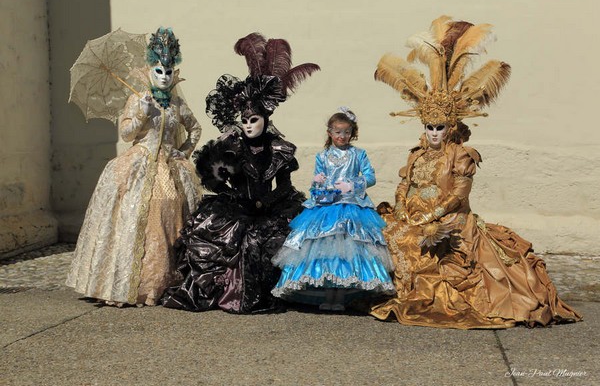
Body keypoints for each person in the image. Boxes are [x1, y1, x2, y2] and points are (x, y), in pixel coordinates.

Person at [370, 16, 582, 328]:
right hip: (411, 213)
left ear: (449, 127)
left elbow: (458, 196)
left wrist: (430, 217)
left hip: (448, 218)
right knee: (385, 233)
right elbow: (405, 184)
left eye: (439, 127)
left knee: (425, 244)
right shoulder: (415, 154)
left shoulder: (462, 155)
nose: (433, 133)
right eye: (428, 127)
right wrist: (402, 205)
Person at [161, 32, 320, 314]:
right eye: (244, 120)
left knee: (268, 240)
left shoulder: (280, 149)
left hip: (271, 212)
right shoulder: (231, 146)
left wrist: (269, 202)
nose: (248, 125)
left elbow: (285, 186)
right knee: (216, 235)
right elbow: (216, 180)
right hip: (237, 211)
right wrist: (231, 192)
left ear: (266, 119)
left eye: (254, 120)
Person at [66, 27, 203, 307]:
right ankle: (132, 282)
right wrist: (141, 111)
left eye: (168, 71)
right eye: (158, 71)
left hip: (170, 166)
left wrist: (183, 152)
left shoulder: (176, 104)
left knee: (170, 210)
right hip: (139, 165)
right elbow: (127, 134)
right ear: (149, 71)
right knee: (138, 216)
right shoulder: (138, 99)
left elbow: (195, 129)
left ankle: (166, 280)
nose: (164, 76)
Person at [271, 108, 395, 311]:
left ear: (352, 132)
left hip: (352, 206)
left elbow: (370, 177)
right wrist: (317, 182)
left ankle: (343, 297)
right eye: (337, 132)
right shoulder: (323, 156)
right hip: (327, 206)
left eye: (346, 132)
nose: (342, 136)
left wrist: (353, 184)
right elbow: (318, 185)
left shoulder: (358, 154)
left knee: (348, 250)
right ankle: (327, 296)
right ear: (330, 132)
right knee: (325, 250)